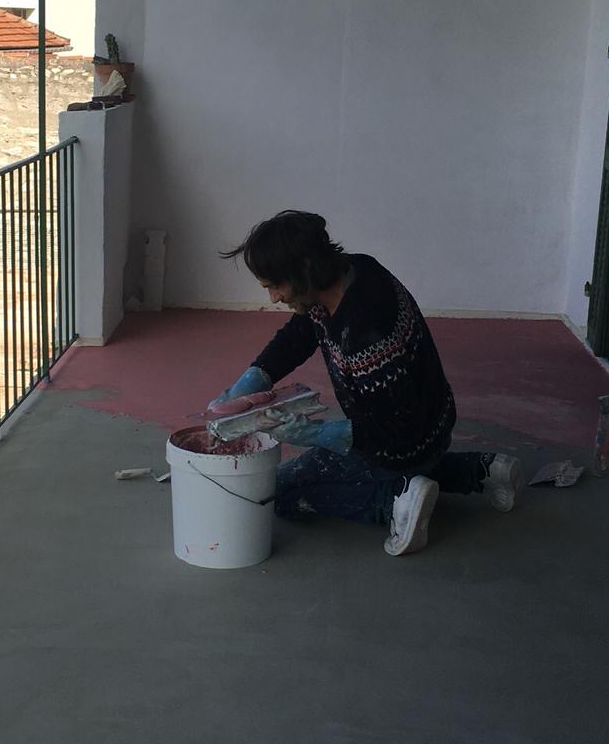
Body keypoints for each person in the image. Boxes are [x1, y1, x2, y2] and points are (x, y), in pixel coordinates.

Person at [210, 211, 521, 557]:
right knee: (385, 461)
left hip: (402, 442)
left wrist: (316, 434)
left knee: (276, 493)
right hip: (433, 422)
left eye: (275, 286)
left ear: (306, 268)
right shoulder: (352, 270)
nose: (274, 298)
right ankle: (481, 470)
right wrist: (255, 377)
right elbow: (301, 333)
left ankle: (394, 502)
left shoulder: (365, 328)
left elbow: (393, 427)